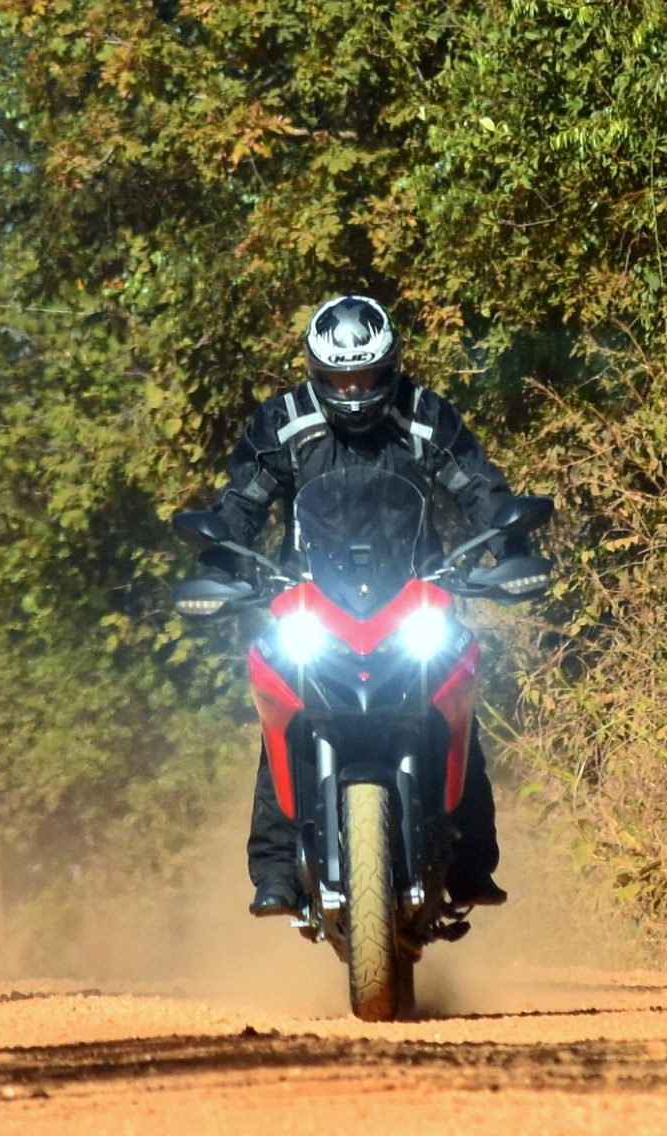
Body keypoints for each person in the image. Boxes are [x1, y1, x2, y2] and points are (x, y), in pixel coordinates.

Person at [200, 294, 526, 917]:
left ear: (392, 367)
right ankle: (275, 871)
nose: (355, 389)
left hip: (414, 603)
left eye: (368, 376)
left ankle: (469, 861)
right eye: (341, 378)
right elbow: (239, 503)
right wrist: (218, 564)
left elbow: (479, 485)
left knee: (457, 706)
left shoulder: (424, 416)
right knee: (283, 715)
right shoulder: (284, 423)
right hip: (313, 607)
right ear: (317, 373)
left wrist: (509, 545)